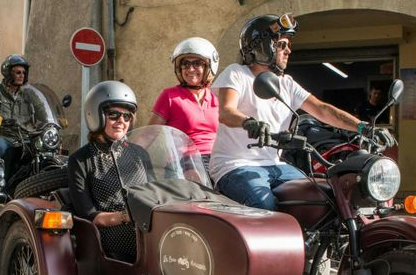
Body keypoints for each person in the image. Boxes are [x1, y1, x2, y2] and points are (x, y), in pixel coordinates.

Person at [210, 13, 395, 210]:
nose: (288, 50)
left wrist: (363, 127)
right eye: (282, 45)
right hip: (235, 165)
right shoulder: (237, 73)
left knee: (323, 197)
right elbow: (227, 111)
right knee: (264, 206)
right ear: (262, 47)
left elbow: (322, 109)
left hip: (276, 165)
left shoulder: (286, 83)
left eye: (288, 45)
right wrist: (249, 122)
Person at [68, 81, 151, 263]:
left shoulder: (140, 154)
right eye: (113, 114)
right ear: (95, 115)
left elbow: (155, 195)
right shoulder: (81, 160)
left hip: (146, 227)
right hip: (111, 234)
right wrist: (125, 217)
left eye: (127, 116)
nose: (121, 121)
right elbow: (89, 216)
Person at [148, 37, 220, 169]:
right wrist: (127, 154)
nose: (190, 69)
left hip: (218, 159)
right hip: (185, 161)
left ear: (209, 67)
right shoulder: (169, 96)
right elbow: (149, 133)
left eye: (197, 63)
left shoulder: (217, 96)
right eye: (185, 64)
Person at [0, 54, 49, 180]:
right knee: (2, 150)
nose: (22, 75)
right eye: (18, 72)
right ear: (8, 73)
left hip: (24, 136)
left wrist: (52, 120)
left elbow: (41, 108)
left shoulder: (29, 93)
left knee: (43, 151)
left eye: (24, 72)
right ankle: (2, 185)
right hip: (2, 135)